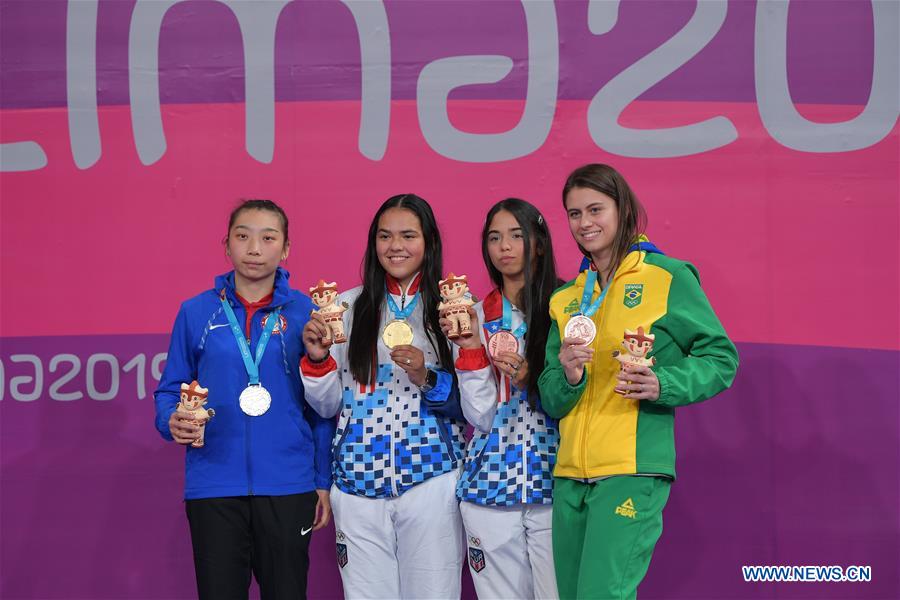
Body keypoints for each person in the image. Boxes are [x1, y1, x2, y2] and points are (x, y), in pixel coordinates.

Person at [539, 164, 739, 599]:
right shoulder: (567, 299)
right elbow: (551, 394)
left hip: (632, 468)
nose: (584, 223)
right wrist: (569, 376)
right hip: (571, 472)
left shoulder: (666, 276)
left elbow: (721, 359)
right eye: (574, 214)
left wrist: (662, 383)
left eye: (595, 209)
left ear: (622, 209)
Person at [153, 199, 334, 600]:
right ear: (226, 245)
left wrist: (321, 480)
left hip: (288, 484)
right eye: (243, 236)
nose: (254, 248)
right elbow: (170, 389)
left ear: (285, 249)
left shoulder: (308, 314)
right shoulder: (195, 312)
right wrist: (171, 420)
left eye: (268, 238)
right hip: (214, 485)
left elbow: (323, 408)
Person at [300, 194, 466, 599]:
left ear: (428, 241)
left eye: (408, 235)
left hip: (432, 478)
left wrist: (426, 377)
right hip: (356, 483)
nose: (396, 246)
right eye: (385, 236)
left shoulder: (455, 310)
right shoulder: (343, 309)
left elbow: (475, 405)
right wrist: (318, 359)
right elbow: (326, 405)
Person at [446, 198, 562, 599]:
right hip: (490, 484)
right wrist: (472, 350)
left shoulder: (571, 310)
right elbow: (479, 414)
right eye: (495, 238)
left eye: (517, 235)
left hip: (558, 480)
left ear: (540, 244)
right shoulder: (473, 316)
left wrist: (535, 379)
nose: (505, 247)